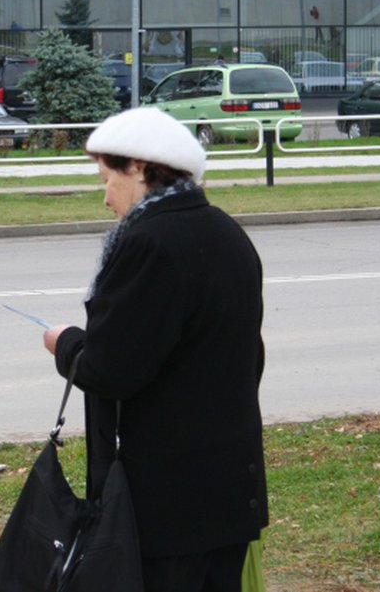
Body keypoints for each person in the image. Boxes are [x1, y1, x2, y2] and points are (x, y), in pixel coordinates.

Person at [42, 107, 267, 592]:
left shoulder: (149, 243)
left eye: (108, 179)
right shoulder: (226, 232)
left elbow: (112, 368)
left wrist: (65, 343)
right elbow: (250, 357)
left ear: (140, 168)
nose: (105, 198)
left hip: (162, 502)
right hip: (228, 487)